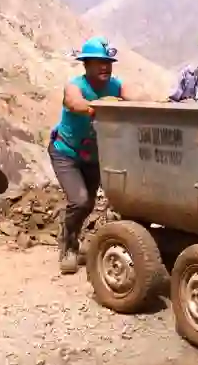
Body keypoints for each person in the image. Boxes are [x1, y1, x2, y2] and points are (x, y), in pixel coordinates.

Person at [49, 36, 136, 275]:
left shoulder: (116, 86)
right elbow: (74, 102)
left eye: (108, 62)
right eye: (98, 62)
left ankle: (74, 235)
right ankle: (68, 245)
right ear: (86, 64)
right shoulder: (75, 85)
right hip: (66, 152)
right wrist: (101, 107)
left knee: (88, 204)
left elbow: (135, 95)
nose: (105, 67)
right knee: (79, 200)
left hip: (95, 157)